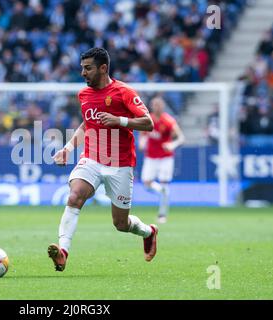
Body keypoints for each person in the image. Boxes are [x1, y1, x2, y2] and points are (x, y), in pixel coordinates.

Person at [48, 47, 158, 272]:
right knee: (75, 195)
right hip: (92, 158)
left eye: (87, 68)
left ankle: (149, 232)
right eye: (82, 68)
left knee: (120, 224)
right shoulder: (84, 94)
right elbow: (86, 124)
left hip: (121, 164)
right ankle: (63, 251)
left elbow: (148, 123)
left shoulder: (123, 92)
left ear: (103, 68)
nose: (83, 73)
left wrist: (120, 120)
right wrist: (68, 148)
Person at [139, 96, 185, 224]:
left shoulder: (169, 121)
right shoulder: (148, 120)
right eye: (154, 104)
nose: (157, 107)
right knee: (146, 183)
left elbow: (181, 138)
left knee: (164, 182)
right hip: (151, 157)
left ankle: (162, 214)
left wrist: (172, 145)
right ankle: (163, 192)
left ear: (163, 106)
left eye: (159, 104)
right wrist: (142, 143)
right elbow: (143, 135)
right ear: (152, 106)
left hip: (166, 158)